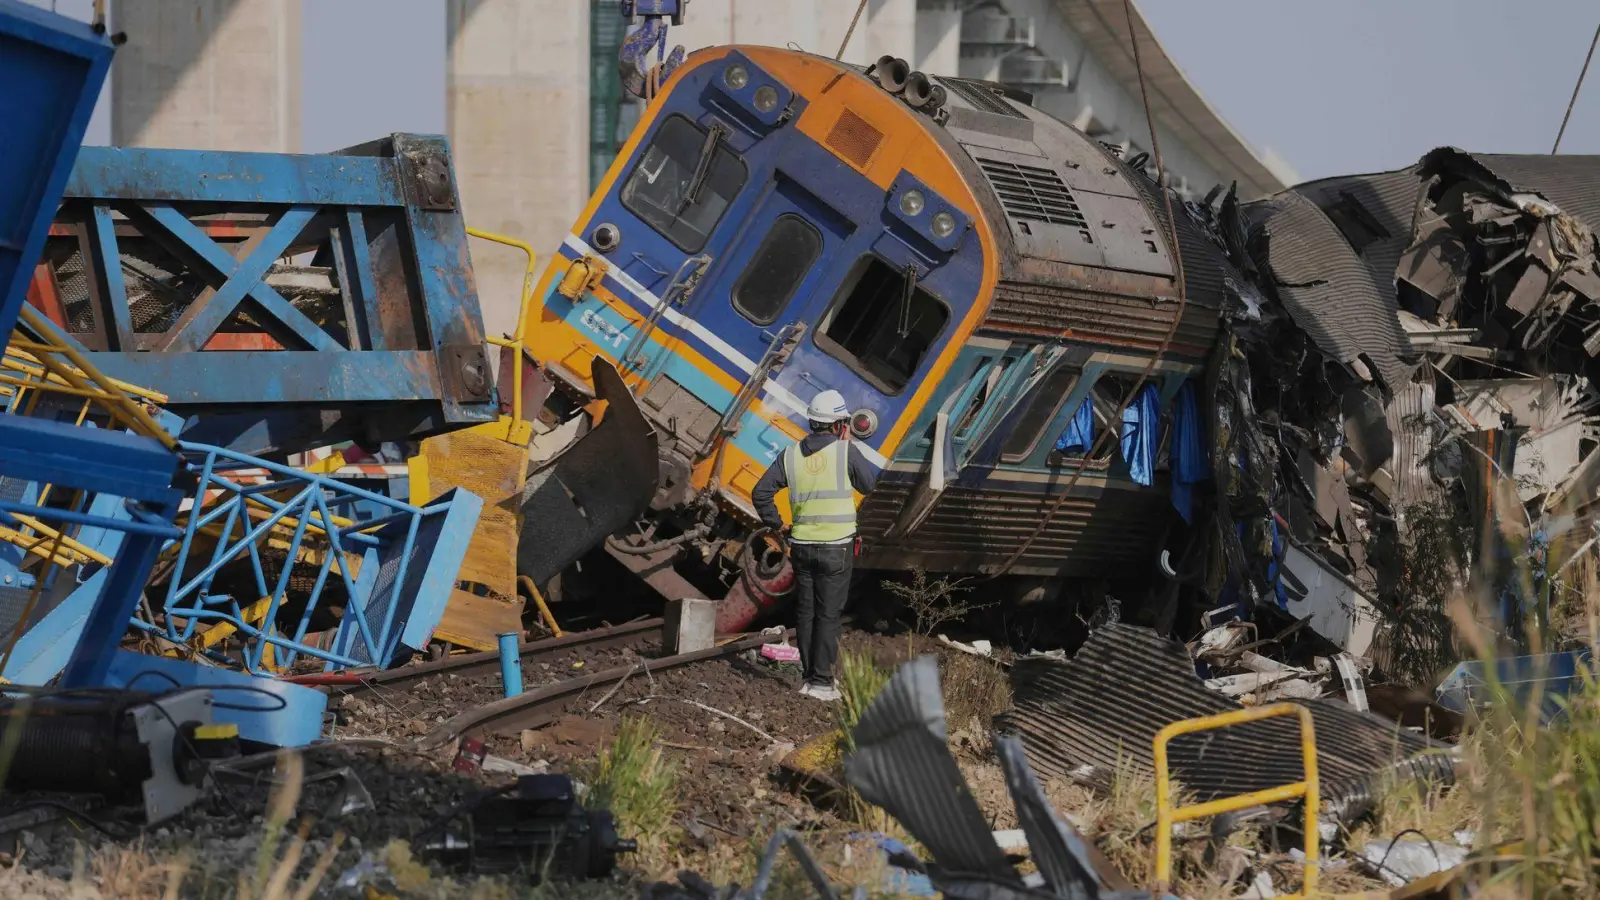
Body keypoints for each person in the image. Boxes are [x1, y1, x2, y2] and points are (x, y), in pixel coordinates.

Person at [751, 389, 877, 701]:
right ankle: (822, 683)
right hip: (836, 549)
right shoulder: (845, 452)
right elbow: (867, 484)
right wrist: (848, 444)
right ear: (839, 424)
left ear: (812, 422)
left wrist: (777, 524)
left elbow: (761, 492)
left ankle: (809, 679)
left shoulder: (790, 455)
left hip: (802, 548)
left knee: (807, 612)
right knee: (828, 614)